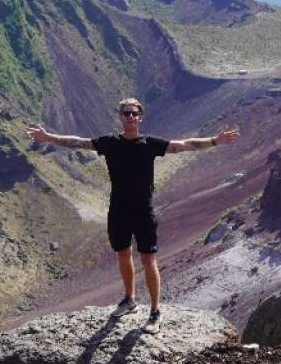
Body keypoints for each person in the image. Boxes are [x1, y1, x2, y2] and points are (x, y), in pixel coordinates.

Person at [26, 97, 240, 323]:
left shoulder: (150, 144)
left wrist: (215, 141)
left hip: (143, 211)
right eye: (126, 113)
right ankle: (129, 299)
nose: (130, 117)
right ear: (120, 117)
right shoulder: (110, 143)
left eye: (133, 114)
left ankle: (155, 311)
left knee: (148, 260)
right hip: (118, 210)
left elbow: (184, 145)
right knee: (123, 255)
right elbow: (79, 142)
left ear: (140, 117)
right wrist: (48, 137)